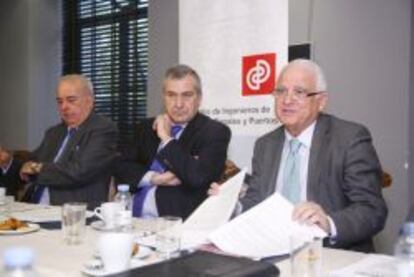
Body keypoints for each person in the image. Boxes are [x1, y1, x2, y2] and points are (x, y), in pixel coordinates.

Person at [211, 59, 387, 252]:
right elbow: (256, 200)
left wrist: (328, 223)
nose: (287, 100)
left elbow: (372, 210)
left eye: (299, 92)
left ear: (321, 102)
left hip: (329, 254)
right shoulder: (265, 145)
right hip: (271, 250)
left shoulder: (349, 139)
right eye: (281, 91)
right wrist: (230, 205)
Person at [116, 64, 231, 219]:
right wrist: (155, 178)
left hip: (172, 224)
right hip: (127, 218)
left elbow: (197, 177)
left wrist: (166, 139)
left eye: (187, 95)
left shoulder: (214, 132)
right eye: (171, 95)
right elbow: (121, 168)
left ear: (199, 98)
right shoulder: (145, 127)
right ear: (164, 97)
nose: (178, 104)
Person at [2, 74, 119, 209]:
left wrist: (38, 168)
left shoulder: (103, 129)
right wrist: (7, 163)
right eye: (59, 101)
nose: (64, 107)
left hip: (72, 212)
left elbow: (79, 171)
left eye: (71, 100)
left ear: (89, 101)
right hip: (34, 206)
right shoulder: (54, 132)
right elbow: (30, 162)